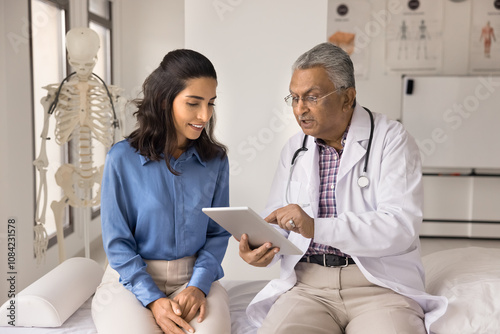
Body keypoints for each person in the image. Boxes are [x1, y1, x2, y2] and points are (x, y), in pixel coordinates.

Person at [239, 43, 447, 334]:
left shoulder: (391, 139)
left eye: (312, 97)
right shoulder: (295, 149)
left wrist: (316, 227)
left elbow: (400, 226)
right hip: (308, 286)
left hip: (380, 286)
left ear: (347, 97)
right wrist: (263, 247)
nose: (300, 109)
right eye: (295, 98)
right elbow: (279, 216)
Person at [91, 49, 231, 334]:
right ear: (165, 101)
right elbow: (117, 242)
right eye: (193, 103)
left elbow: (217, 234)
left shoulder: (216, 160)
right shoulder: (122, 158)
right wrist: (153, 299)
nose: (204, 115)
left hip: (193, 279)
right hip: (130, 280)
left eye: (211, 103)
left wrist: (198, 286)